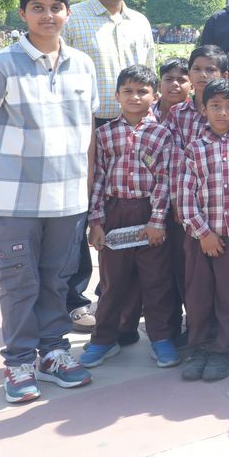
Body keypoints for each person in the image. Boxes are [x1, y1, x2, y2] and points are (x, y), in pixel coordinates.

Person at [0, 0, 99, 403]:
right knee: (19, 282)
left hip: (68, 200)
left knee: (57, 281)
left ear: (68, 13)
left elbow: (88, 132)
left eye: (56, 7)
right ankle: (20, 361)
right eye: (38, 7)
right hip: (14, 200)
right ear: (23, 13)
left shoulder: (83, 65)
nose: (48, 15)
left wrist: (87, 191)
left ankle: (54, 353)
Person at [62, 0, 157, 332]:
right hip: (88, 124)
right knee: (82, 211)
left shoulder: (140, 22)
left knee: (124, 210)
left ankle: (114, 295)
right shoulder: (75, 19)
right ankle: (74, 299)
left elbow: (148, 74)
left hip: (132, 126)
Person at [78, 65, 181, 371]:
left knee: (156, 280)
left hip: (149, 212)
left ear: (155, 96)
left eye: (142, 91)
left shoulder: (163, 134)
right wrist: (96, 222)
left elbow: (165, 179)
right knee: (113, 282)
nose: (135, 97)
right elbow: (98, 179)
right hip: (115, 212)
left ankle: (161, 339)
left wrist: (158, 221)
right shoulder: (104, 134)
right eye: (128, 91)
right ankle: (104, 339)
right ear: (117, 95)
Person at [176, 79, 229, 382]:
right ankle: (199, 346)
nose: (222, 112)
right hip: (200, 237)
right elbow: (184, 197)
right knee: (198, 294)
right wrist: (203, 233)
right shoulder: (194, 149)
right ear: (203, 108)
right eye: (215, 106)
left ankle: (224, 349)